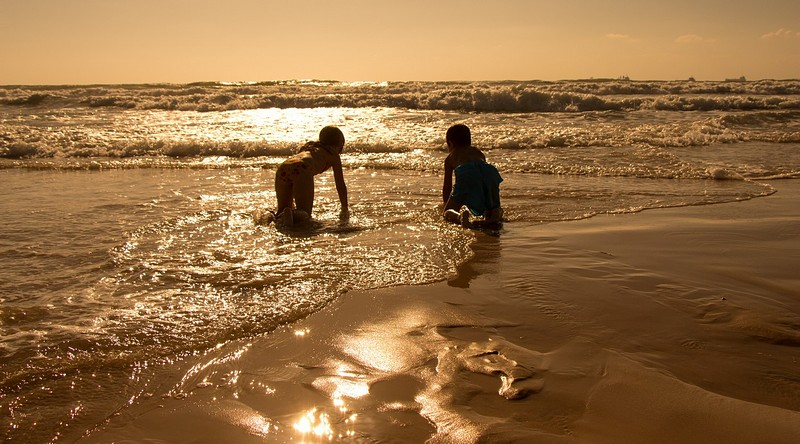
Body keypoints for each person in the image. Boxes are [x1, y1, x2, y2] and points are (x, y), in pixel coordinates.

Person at [274, 126, 348, 226]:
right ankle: (291, 213)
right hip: (303, 168)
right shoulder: (334, 155)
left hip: (284, 167)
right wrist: (345, 207)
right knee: (305, 213)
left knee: (281, 209)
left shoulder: (308, 146)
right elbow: (340, 184)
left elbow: (294, 174)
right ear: (340, 144)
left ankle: (271, 216)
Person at [442, 124, 503, 228]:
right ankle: (495, 213)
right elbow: (482, 181)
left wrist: (447, 205)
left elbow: (448, 186)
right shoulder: (478, 152)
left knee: (447, 212)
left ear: (450, 143)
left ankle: (460, 217)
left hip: (466, 171)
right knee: (491, 207)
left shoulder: (450, 158)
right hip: (489, 171)